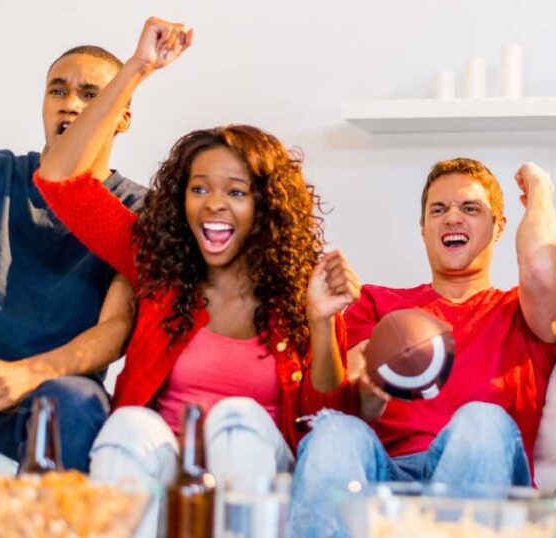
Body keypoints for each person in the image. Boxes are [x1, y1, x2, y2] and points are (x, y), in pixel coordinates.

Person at [34, 17, 359, 491]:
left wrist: (321, 321)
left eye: (237, 192)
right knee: (127, 426)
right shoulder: (161, 265)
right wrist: (138, 68)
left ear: (266, 206)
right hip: (162, 467)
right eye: (199, 188)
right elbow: (60, 180)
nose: (214, 204)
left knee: (239, 421)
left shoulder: (303, 288)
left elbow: (328, 419)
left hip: (258, 473)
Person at [288, 158, 556, 537]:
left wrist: (540, 188)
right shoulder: (376, 302)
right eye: (439, 210)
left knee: (482, 422)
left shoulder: (523, 311)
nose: (452, 217)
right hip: (386, 481)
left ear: (499, 227)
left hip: (477, 480)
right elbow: (347, 407)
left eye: (470, 208)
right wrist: (372, 391)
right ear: (423, 228)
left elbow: (539, 269)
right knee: (334, 433)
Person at [0, 41, 146, 471]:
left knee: (72, 404)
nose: (70, 105)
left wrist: (31, 373)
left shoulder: (142, 210)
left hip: (57, 390)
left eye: (91, 95)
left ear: (122, 116)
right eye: (58, 91)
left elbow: (117, 327)